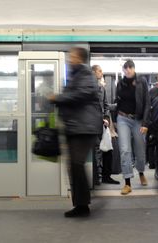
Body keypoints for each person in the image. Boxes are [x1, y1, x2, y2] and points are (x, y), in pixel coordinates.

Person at [48, 47, 102, 217]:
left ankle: (83, 205)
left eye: (72, 56)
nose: (70, 59)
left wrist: (58, 98)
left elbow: (82, 94)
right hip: (76, 127)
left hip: (84, 128)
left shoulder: (86, 74)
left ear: (80, 58)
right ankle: (80, 205)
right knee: (73, 166)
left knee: (77, 164)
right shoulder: (75, 76)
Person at [115, 60, 150, 195]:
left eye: (130, 67)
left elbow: (147, 103)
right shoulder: (120, 83)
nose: (128, 70)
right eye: (126, 68)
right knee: (125, 150)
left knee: (140, 150)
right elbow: (118, 101)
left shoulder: (142, 81)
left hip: (138, 120)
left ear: (134, 69)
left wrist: (146, 123)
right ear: (123, 70)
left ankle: (141, 172)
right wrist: (114, 119)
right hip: (123, 118)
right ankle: (127, 183)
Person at [91, 65, 119, 185]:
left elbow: (106, 106)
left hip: (103, 124)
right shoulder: (90, 87)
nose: (102, 73)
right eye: (99, 71)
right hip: (93, 124)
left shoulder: (102, 88)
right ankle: (96, 177)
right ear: (93, 72)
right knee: (97, 150)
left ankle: (106, 176)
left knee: (108, 149)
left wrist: (106, 118)